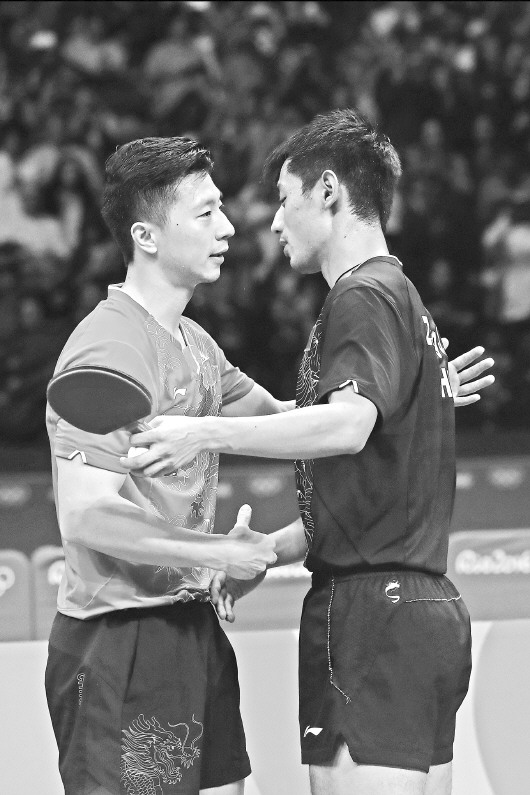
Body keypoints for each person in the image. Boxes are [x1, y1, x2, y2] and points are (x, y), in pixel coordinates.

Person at [122, 110, 495, 795]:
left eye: (283, 199)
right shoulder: (401, 298)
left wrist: (203, 431)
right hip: (417, 611)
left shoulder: (363, 294)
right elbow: (356, 486)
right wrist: (263, 550)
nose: (271, 223)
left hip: (372, 617)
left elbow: (345, 426)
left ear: (328, 191)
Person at [45, 137, 282, 795]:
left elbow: (280, 422)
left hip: (191, 625)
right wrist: (214, 552)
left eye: (222, 209)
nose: (227, 227)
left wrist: (404, 398)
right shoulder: (110, 347)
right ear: (145, 236)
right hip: (117, 638)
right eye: (205, 213)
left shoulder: (196, 343)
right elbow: (87, 513)